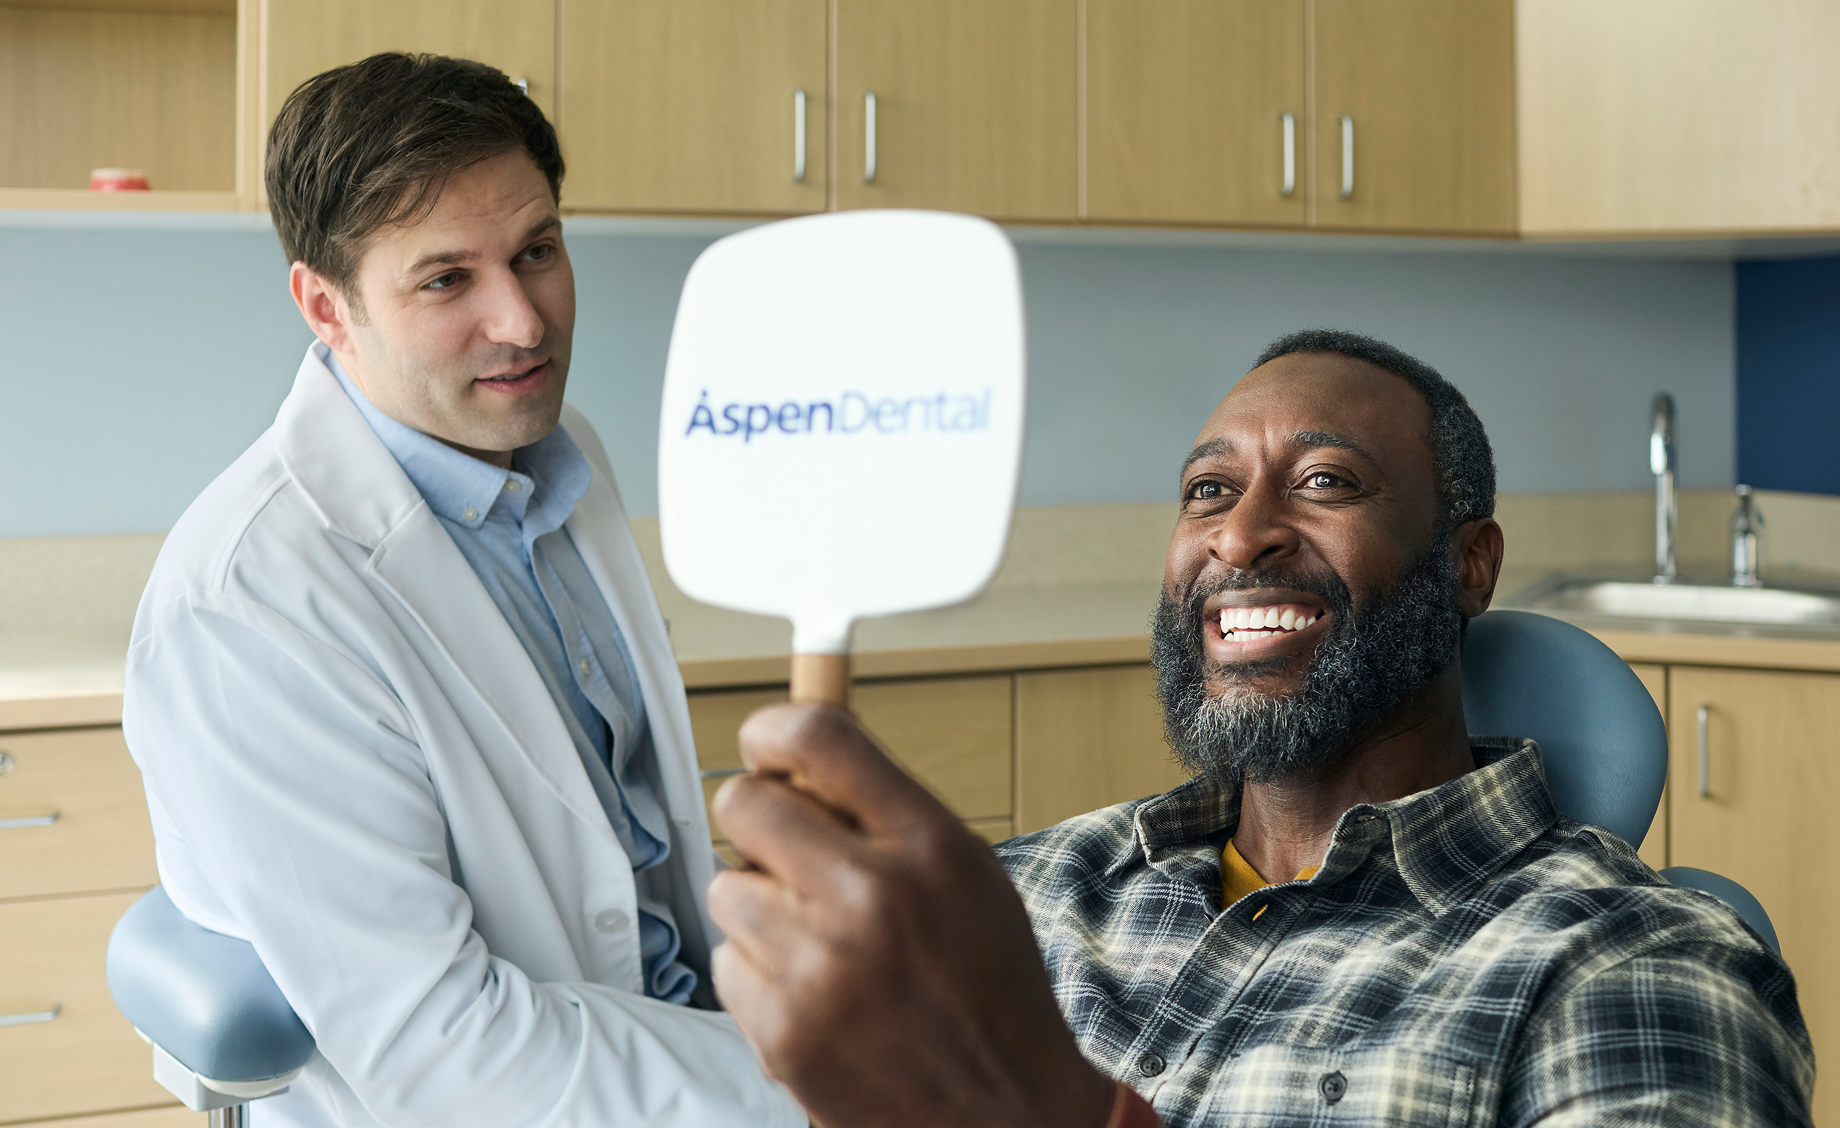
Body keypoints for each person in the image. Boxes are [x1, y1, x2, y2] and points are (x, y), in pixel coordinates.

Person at [704, 330, 1814, 1128]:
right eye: (1205, 490)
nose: (1239, 537)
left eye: (1325, 480)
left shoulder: (1624, 964)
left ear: (1467, 564)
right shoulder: (1014, 902)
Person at [124, 54, 801, 1127]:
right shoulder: (248, 602)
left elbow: (633, 849)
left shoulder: (555, 455)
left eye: (539, 251)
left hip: (679, 1043)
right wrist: (825, 1096)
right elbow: (444, 1052)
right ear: (326, 306)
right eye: (446, 280)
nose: (524, 323)